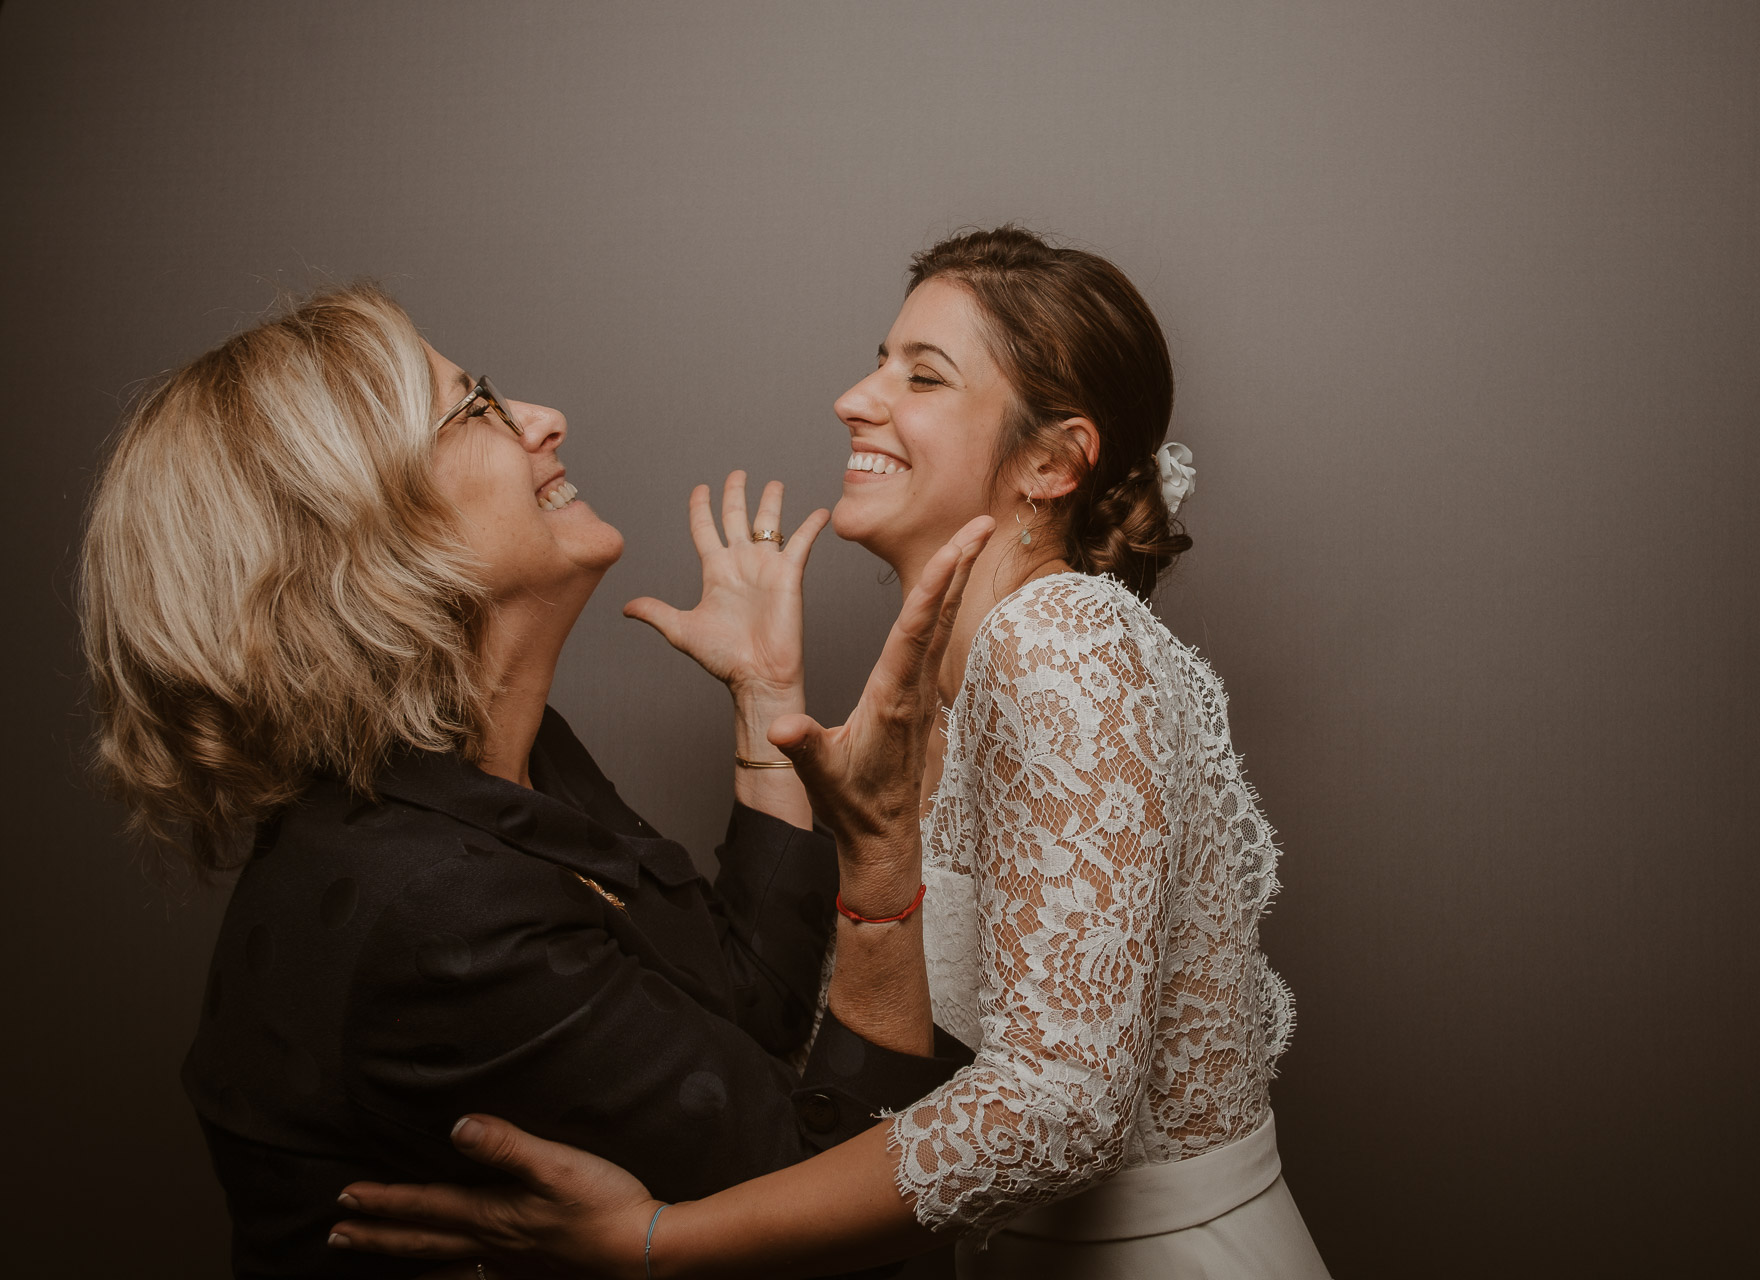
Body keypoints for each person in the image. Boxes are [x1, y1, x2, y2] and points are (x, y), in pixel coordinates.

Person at [332, 228, 1330, 1277]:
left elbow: (1061, 1107)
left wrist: (657, 1240)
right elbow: (822, 1032)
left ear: (1048, 461)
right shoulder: (941, 680)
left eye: (921, 374)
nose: (856, 397)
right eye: (878, 359)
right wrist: (766, 695)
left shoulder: (1060, 643)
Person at [79, 283, 995, 1278]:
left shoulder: (511, 762)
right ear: (364, 533)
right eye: (475, 408)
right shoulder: (433, 908)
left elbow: (748, 998)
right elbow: (854, 1223)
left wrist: (763, 692)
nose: (543, 420)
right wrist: (878, 850)